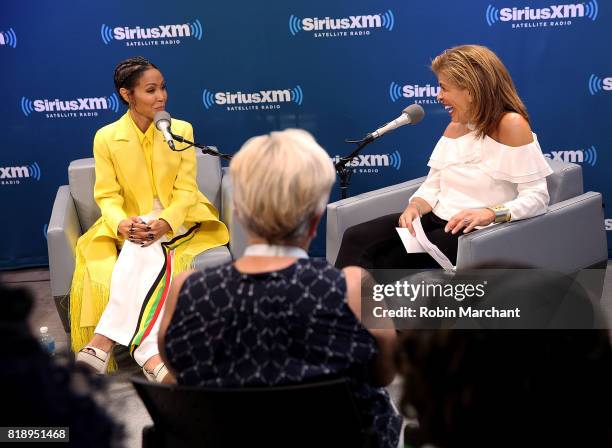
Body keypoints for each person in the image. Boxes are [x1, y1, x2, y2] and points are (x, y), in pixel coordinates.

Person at [158, 129, 403, 448]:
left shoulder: (186, 289)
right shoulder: (354, 286)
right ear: (316, 219)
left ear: (241, 214)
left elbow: (178, 375)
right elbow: (384, 375)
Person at [70, 56, 229, 382]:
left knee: (141, 244)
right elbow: (107, 196)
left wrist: (167, 221)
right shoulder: (106, 137)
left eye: (163, 88)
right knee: (141, 243)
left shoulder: (180, 130)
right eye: (150, 90)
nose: (161, 97)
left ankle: (102, 341)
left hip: (182, 217)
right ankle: (149, 353)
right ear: (127, 94)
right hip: (132, 220)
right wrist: (120, 224)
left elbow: (186, 190)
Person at [335, 44, 552, 269]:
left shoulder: (512, 125)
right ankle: (341, 303)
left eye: (444, 88)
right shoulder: (454, 128)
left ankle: (357, 301)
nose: (438, 97)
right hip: (432, 221)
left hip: (472, 233)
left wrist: (490, 213)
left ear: (471, 90)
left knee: (382, 263)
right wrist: (415, 206)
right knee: (355, 236)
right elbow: (432, 186)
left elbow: (537, 198)